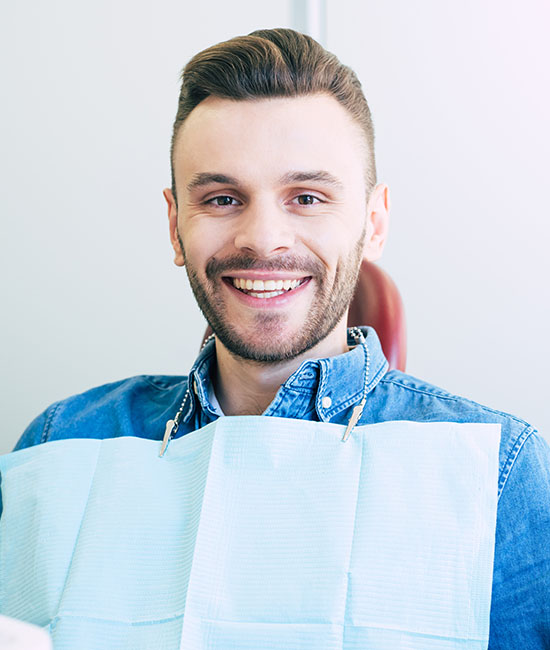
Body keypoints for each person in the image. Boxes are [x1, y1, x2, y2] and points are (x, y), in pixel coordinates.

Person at [4, 28, 550, 650]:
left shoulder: (498, 470)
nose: (264, 238)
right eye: (222, 198)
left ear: (372, 224)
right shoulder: (60, 445)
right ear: (176, 227)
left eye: (307, 196)